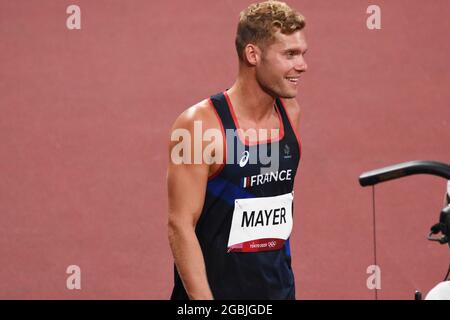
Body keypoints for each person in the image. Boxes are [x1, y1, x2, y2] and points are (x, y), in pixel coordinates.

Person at [167, 0, 308, 300]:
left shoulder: (291, 114)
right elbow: (180, 226)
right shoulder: (198, 126)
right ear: (253, 54)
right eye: (289, 54)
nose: (302, 65)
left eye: (302, 54)